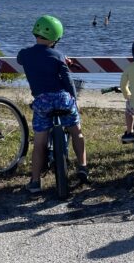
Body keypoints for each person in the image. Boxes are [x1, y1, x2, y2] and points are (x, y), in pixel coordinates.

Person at [17, 15, 88, 193]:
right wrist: (74, 100)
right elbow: (68, 80)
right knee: (76, 131)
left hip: (42, 102)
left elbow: (20, 59)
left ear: (35, 32)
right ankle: (83, 166)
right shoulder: (59, 55)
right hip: (62, 99)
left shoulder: (24, 54)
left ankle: (35, 182)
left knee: (40, 142)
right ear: (56, 38)